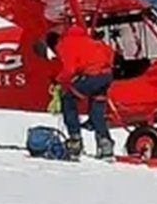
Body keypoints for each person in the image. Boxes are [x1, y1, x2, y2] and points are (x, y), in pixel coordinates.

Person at [48, 25, 116, 159]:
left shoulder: (63, 45)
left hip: (92, 76)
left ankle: (75, 142)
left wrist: (57, 81)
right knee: (96, 112)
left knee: (68, 100)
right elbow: (110, 53)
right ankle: (106, 145)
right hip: (106, 75)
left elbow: (69, 70)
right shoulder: (88, 39)